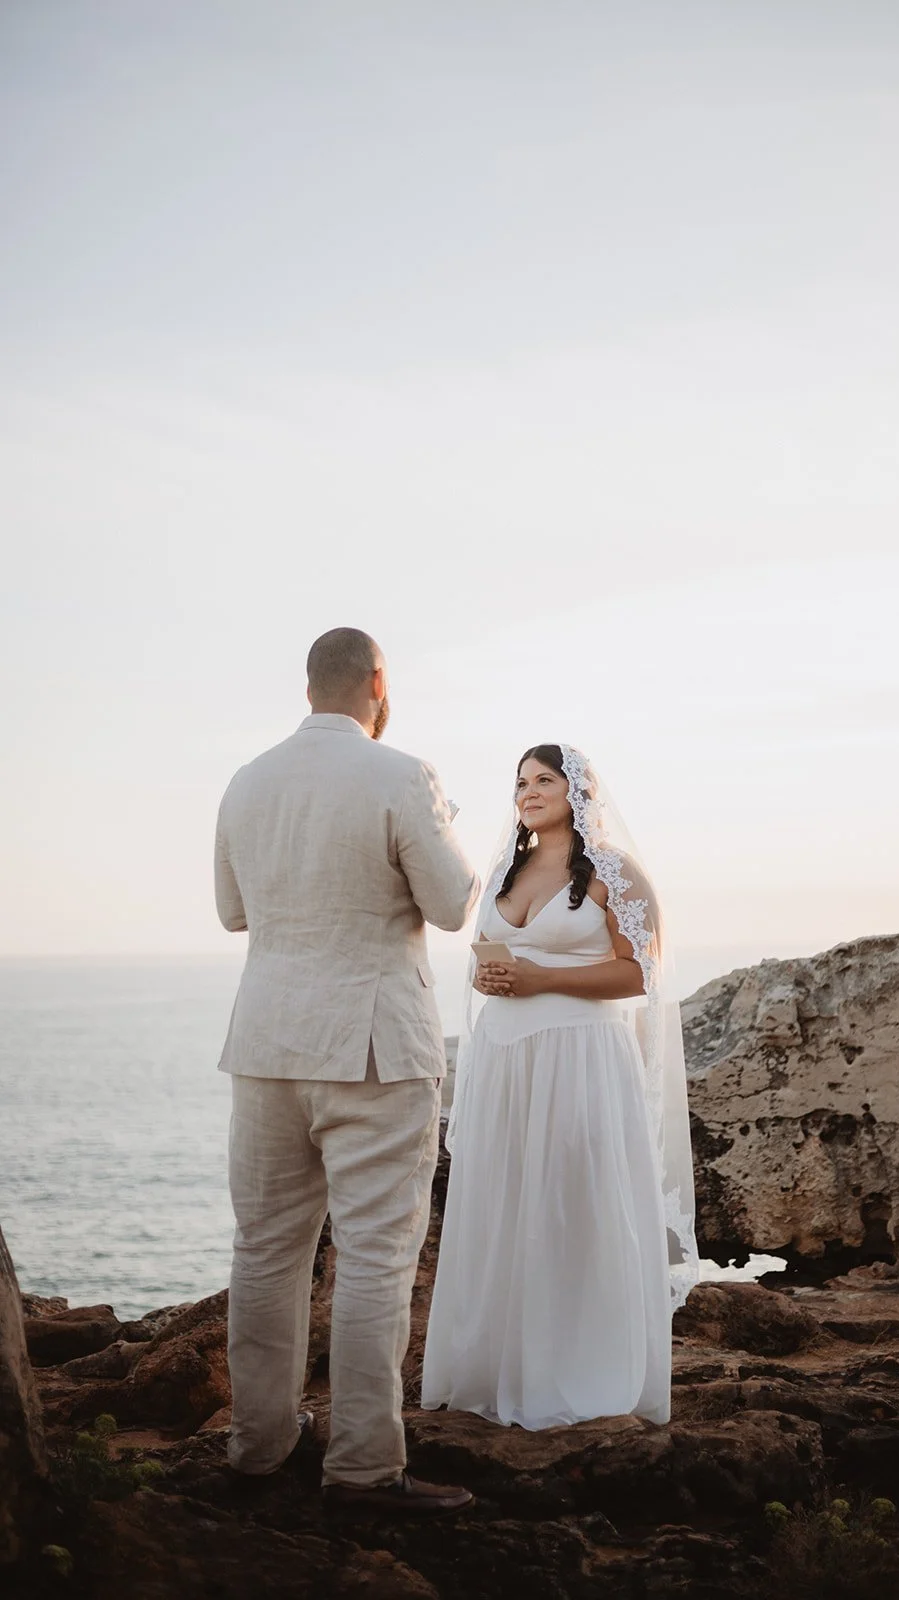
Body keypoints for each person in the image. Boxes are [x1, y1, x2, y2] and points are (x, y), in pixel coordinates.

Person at [214, 627, 480, 1516]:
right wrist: (442, 826)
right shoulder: (401, 774)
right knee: (373, 1256)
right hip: (373, 1049)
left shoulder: (246, 780)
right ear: (378, 681)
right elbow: (452, 905)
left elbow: (232, 912)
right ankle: (363, 1468)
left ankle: (258, 1447)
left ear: (307, 688)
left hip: (265, 1045)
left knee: (264, 1250)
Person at [421, 743, 698, 1429]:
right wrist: (493, 975)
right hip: (504, 1058)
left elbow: (640, 973)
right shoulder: (504, 870)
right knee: (505, 1200)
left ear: (579, 791)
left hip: (580, 1056)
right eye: (521, 781)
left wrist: (541, 978)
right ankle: (498, 1370)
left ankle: (579, 1372)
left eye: (545, 779)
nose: (529, 791)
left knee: (575, 1201)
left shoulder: (614, 871)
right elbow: (488, 960)